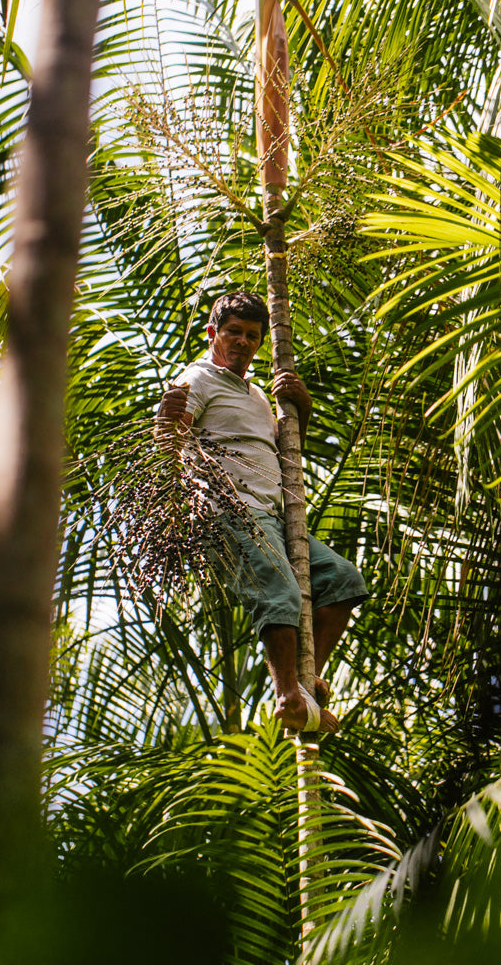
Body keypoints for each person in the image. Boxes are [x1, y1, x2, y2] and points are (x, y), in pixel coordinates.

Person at [155, 291, 368, 733]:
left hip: (274, 518)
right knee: (280, 592)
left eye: (252, 336)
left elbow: (285, 451)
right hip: (229, 512)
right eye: (233, 332)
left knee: (343, 580)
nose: (243, 342)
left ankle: (305, 681)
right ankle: (287, 696)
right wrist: (164, 422)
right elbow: (170, 441)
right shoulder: (197, 378)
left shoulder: (256, 394)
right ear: (212, 333)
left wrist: (302, 407)